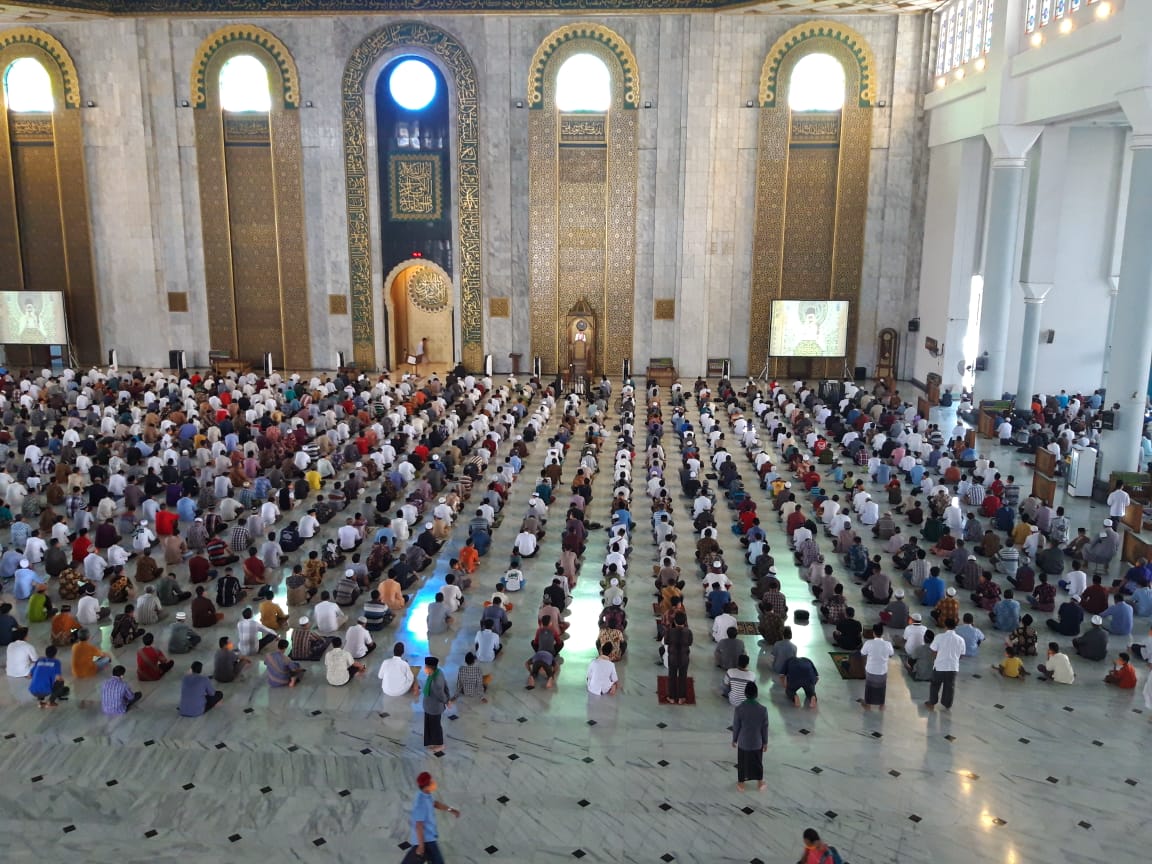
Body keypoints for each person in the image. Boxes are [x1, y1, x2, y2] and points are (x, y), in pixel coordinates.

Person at [407, 771, 460, 864]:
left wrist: (451, 810)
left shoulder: (426, 794)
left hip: (428, 838)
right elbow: (419, 825)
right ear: (426, 785)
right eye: (431, 782)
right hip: (425, 841)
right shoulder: (421, 802)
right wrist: (421, 846)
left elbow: (435, 804)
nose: (434, 783)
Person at [731, 681, 769, 792]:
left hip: (743, 742)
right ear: (756, 694)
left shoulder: (739, 709)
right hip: (757, 742)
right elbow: (764, 728)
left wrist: (734, 739)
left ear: (745, 693)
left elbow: (736, 726)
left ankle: (741, 783)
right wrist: (765, 742)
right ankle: (760, 782)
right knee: (758, 762)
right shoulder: (763, 710)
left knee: (742, 762)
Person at [924, 618, 964, 711]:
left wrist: (938, 657)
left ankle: (932, 703)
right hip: (953, 667)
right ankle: (947, 704)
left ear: (945, 626)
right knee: (949, 686)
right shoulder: (960, 640)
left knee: (935, 685)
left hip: (940, 666)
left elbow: (933, 650)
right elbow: (961, 655)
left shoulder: (939, 637)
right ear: (955, 627)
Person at [859, 624, 895, 710]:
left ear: (873, 633)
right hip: (882, 670)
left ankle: (868, 705)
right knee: (882, 687)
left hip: (871, 670)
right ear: (882, 633)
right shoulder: (888, 644)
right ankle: (881, 705)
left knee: (869, 687)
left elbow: (862, 653)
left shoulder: (868, 643)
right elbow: (891, 655)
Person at [421, 656, 451, 751]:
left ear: (430, 668)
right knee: (430, 724)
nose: (424, 668)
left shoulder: (436, 681)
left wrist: (447, 701)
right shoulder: (438, 672)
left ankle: (440, 744)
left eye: (425, 667)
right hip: (429, 706)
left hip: (434, 708)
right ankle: (431, 741)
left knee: (435, 726)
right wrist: (448, 698)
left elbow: (441, 695)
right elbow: (446, 684)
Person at [665, 611, 693, 705]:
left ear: (675, 622)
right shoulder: (688, 632)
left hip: (673, 657)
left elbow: (666, 641)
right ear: (685, 622)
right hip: (684, 657)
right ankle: (681, 698)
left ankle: (671, 697)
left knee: (672, 676)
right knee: (683, 676)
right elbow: (690, 643)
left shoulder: (670, 631)